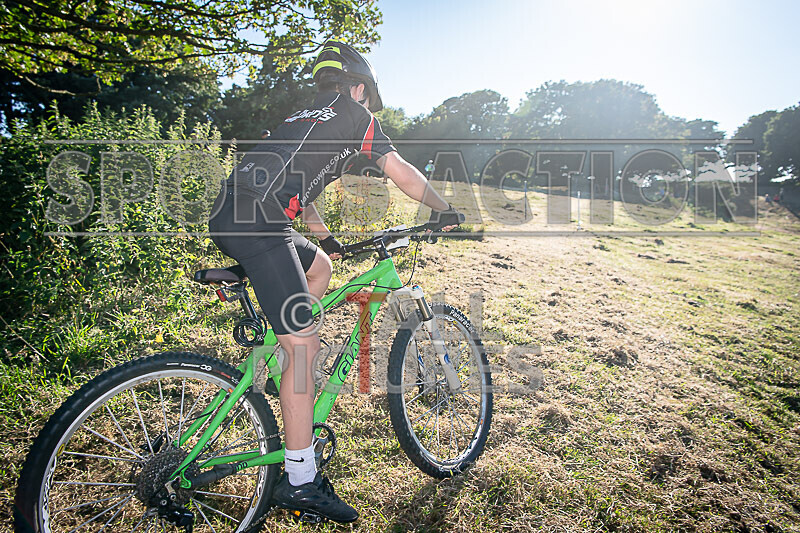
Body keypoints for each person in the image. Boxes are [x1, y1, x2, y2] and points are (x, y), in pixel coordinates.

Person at [207, 40, 462, 523]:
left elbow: (296, 189)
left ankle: (284, 357)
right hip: (259, 221)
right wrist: (444, 209)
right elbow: (402, 172)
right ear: (359, 89)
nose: (369, 108)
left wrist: (325, 239)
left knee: (320, 266)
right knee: (305, 348)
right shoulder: (354, 115)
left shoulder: (300, 117)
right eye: (369, 99)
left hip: (236, 212)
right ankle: (301, 480)